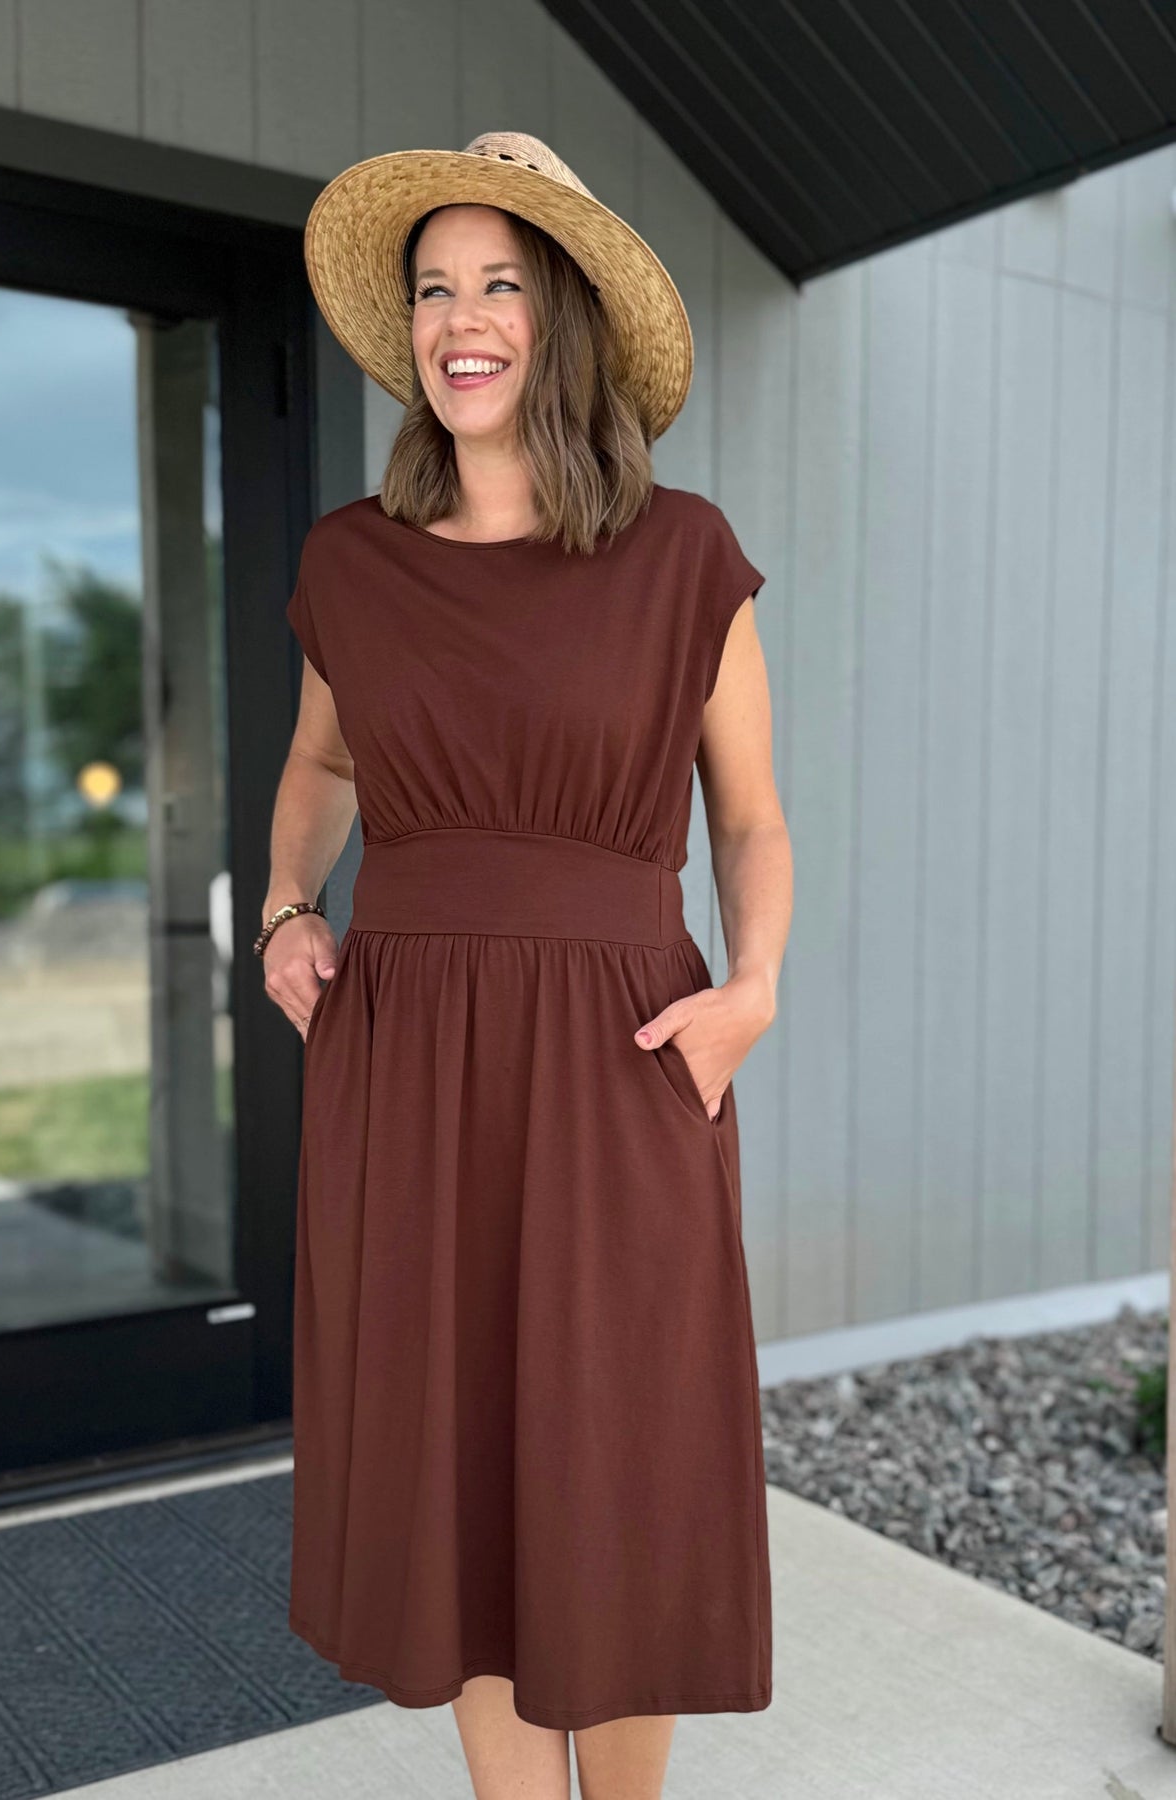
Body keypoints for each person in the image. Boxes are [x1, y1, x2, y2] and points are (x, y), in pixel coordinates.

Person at [259, 130, 793, 1800]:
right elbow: (322, 764)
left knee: (619, 1465)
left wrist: (751, 991)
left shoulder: (682, 554)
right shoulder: (350, 561)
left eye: (500, 283)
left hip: (623, 1052)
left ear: (562, 321)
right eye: (434, 289)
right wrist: (284, 903)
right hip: (406, 1063)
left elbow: (749, 819)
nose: (460, 319)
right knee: (459, 1473)